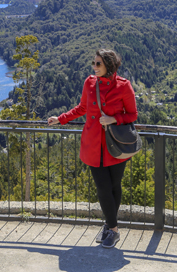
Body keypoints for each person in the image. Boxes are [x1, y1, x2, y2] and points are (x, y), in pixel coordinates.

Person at [48, 49, 137, 248]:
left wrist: (115, 118)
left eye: (98, 64)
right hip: (93, 145)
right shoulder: (89, 83)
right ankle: (113, 229)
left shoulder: (123, 86)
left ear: (109, 65)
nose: (94, 67)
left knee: (115, 187)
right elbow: (82, 108)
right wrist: (60, 118)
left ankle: (109, 225)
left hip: (116, 146)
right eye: (94, 63)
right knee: (103, 188)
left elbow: (132, 115)